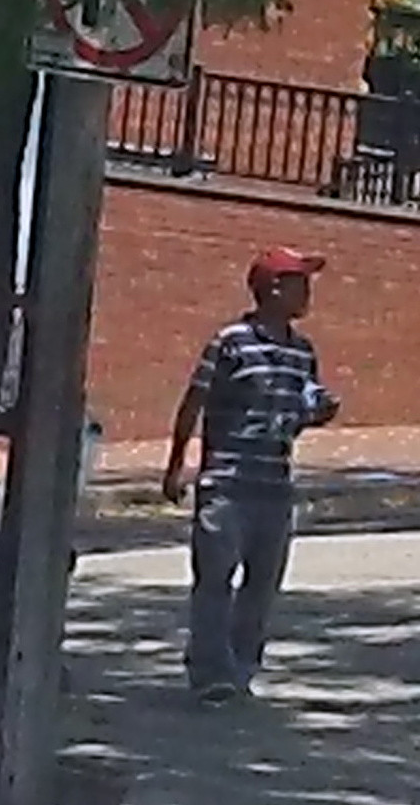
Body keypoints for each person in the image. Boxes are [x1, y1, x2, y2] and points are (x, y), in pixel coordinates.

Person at [160, 246, 340, 706]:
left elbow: (302, 405)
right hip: (226, 482)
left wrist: (318, 411)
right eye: (300, 282)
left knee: (262, 584)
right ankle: (209, 671)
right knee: (216, 579)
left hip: (274, 484)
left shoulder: (301, 351)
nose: (308, 292)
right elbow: (194, 402)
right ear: (273, 289)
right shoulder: (231, 341)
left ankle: (241, 669)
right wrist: (177, 464)